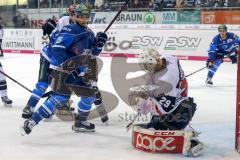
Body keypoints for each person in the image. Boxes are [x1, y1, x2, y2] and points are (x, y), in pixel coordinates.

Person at [21, 4, 108, 135]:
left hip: (77, 71)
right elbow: (57, 49)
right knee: (60, 98)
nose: (84, 19)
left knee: (89, 94)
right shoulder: (70, 29)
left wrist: (100, 43)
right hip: (63, 71)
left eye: (86, 17)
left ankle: (80, 122)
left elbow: (92, 53)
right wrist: (71, 67)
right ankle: (32, 121)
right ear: (75, 16)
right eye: (80, 16)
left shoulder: (89, 33)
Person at [128, 48, 205, 157]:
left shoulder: (167, 79)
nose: (145, 68)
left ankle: (190, 138)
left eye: (146, 65)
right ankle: (178, 129)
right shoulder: (168, 58)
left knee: (162, 120)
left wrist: (144, 99)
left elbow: (165, 109)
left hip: (180, 111)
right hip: (177, 103)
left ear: (153, 63)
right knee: (153, 125)